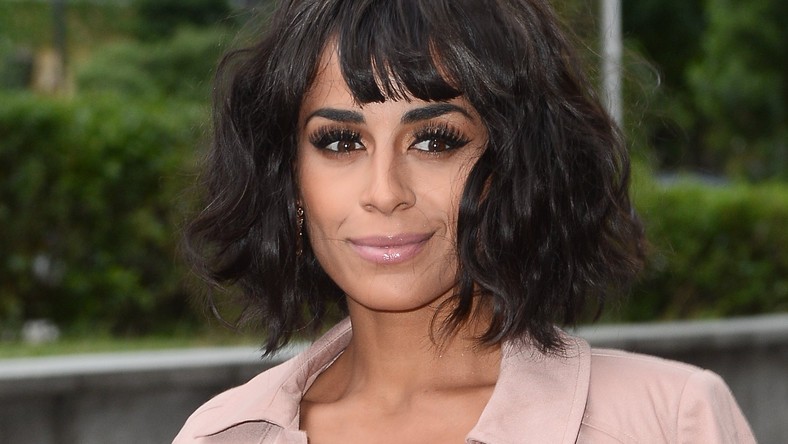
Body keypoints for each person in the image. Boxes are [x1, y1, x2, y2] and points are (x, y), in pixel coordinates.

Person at [174, 0, 755, 442]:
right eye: (341, 142)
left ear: (514, 164)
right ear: (289, 177)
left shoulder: (671, 420)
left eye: (434, 141)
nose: (385, 193)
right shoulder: (222, 435)